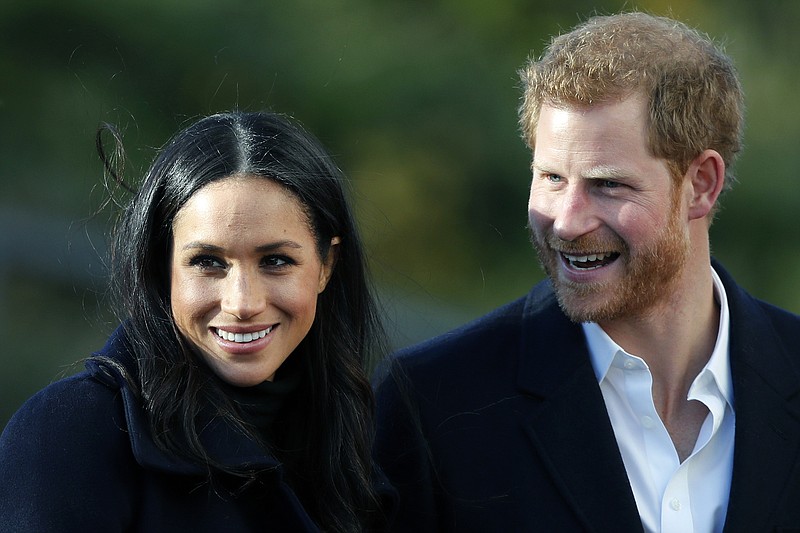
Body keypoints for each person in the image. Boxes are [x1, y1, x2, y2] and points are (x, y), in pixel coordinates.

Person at [374, 11, 800, 533]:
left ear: (702, 185)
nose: (568, 222)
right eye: (552, 177)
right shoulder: (432, 404)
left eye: (608, 185)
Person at [0, 111, 394, 532]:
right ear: (161, 265)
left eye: (276, 261)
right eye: (207, 262)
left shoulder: (362, 445)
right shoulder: (69, 434)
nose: (243, 302)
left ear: (325, 265)